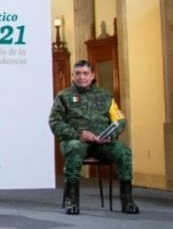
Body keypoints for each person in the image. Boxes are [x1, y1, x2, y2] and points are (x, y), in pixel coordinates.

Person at [49, 59, 139, 215]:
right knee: (75, 149)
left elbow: (120, 119)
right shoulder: (63, 96)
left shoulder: (105, 96)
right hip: (75, 141)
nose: (81, 77)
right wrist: (78, 134)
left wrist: (111, 135)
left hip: (102, 142)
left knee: (124, 151)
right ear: (72, 75)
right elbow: (54, 122)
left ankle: (127, 200)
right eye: (77, 73)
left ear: (92, 76)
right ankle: (72, 201)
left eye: (85, 73)